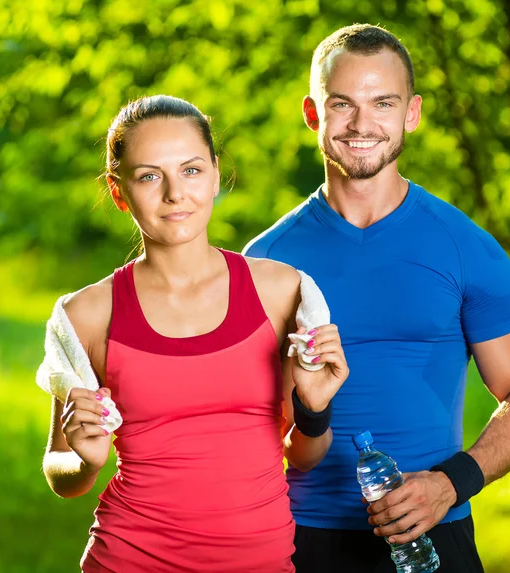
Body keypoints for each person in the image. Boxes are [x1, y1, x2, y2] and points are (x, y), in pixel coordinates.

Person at [243, 24, 510, 573]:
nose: (362, 124)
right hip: (295, 539)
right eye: (342, 104)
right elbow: (243, 419)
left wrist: (448, 484)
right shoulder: (265, 260)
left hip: (434, 534)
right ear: (313, 113)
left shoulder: (465, 247)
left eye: (382, 103)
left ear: (411, 113)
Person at [40, 95, 349, 573]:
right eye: (148, 176)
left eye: (190, 170)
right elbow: (63, 476)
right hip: (128, 560)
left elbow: (304, 457)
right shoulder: (85, 314)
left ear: (214, 172)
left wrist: (314, 407)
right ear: (118, 191)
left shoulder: (282, 292)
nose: (174, 194)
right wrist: (85, 460)